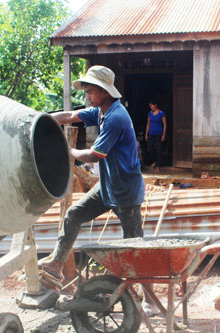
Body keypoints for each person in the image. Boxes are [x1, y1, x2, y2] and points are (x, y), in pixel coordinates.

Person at [39, 65, 145, 288]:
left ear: (104, 92)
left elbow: (94, 156)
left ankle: (149, 300)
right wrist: (41, 119)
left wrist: (67, 150)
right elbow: (69, 115)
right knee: (74, 215)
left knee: (135, 248)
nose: (86, 96)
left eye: (89, 92)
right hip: (107, 187)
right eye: (85, 91)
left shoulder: (116, 117)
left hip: (126, 192)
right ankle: (56, 264)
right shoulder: (100, 111)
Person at [144, 99, 166, 170]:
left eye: (151, 106)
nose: (151, 107)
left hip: (159, 133)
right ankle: (154, 161)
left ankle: (158, 165)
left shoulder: (161, 113)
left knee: (158, 149)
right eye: (150, 106)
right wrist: (146, 134)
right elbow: (148, 124)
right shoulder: (150, 114)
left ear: (155, 105)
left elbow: (165, 124)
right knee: (149, 149)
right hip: (151, 133)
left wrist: (163, 135)